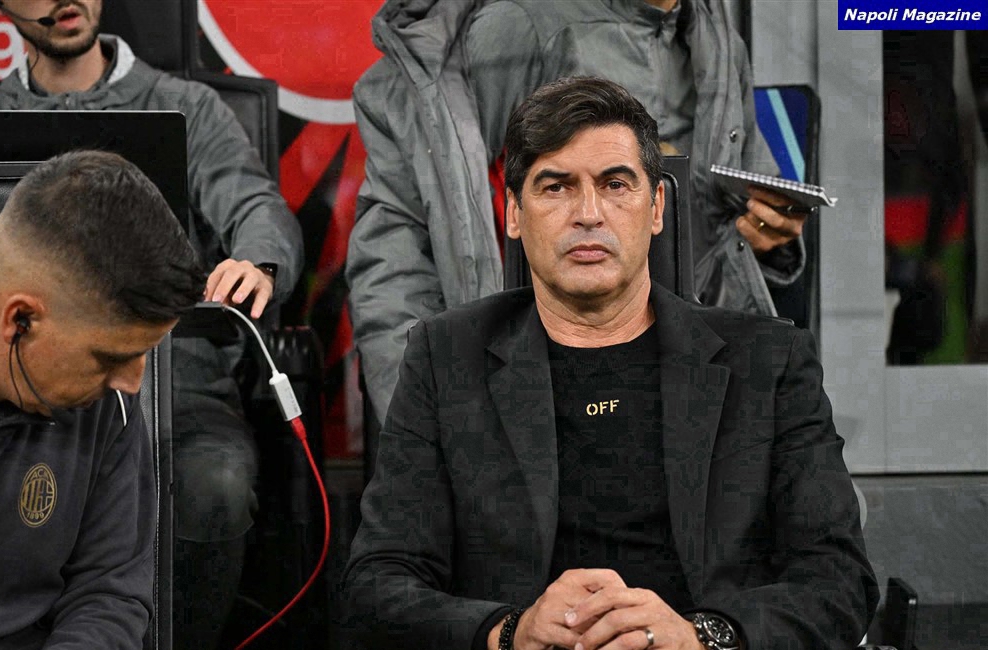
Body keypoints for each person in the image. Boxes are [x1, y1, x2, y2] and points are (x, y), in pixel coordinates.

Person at [343, 77, 877, 650]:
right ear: (514, 213)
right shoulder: (446, 359)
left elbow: (839, 579)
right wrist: (509, 631)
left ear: (657, 207)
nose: (588, 213)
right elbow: (378, 583)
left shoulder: (768, 361)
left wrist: (701, 636)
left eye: (615, 184)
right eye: (556, 187)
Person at [0, 1, 305, 645]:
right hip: (38, 378)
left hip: (183, 380)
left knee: (214, 484)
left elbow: (252, 201)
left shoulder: (188, 106)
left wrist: (259, 262)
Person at [348, 0, 807, 426]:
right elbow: (406, 231)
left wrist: (765, 232)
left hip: (690, 379)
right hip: (544, 389)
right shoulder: (522, 26)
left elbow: (731, 206)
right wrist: (424, 421)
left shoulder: (715, 34)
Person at [0, 150, 205, 649]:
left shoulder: (107, 407)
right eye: (110, 357)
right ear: (20, 320)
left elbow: (108, 594)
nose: (132, 383)